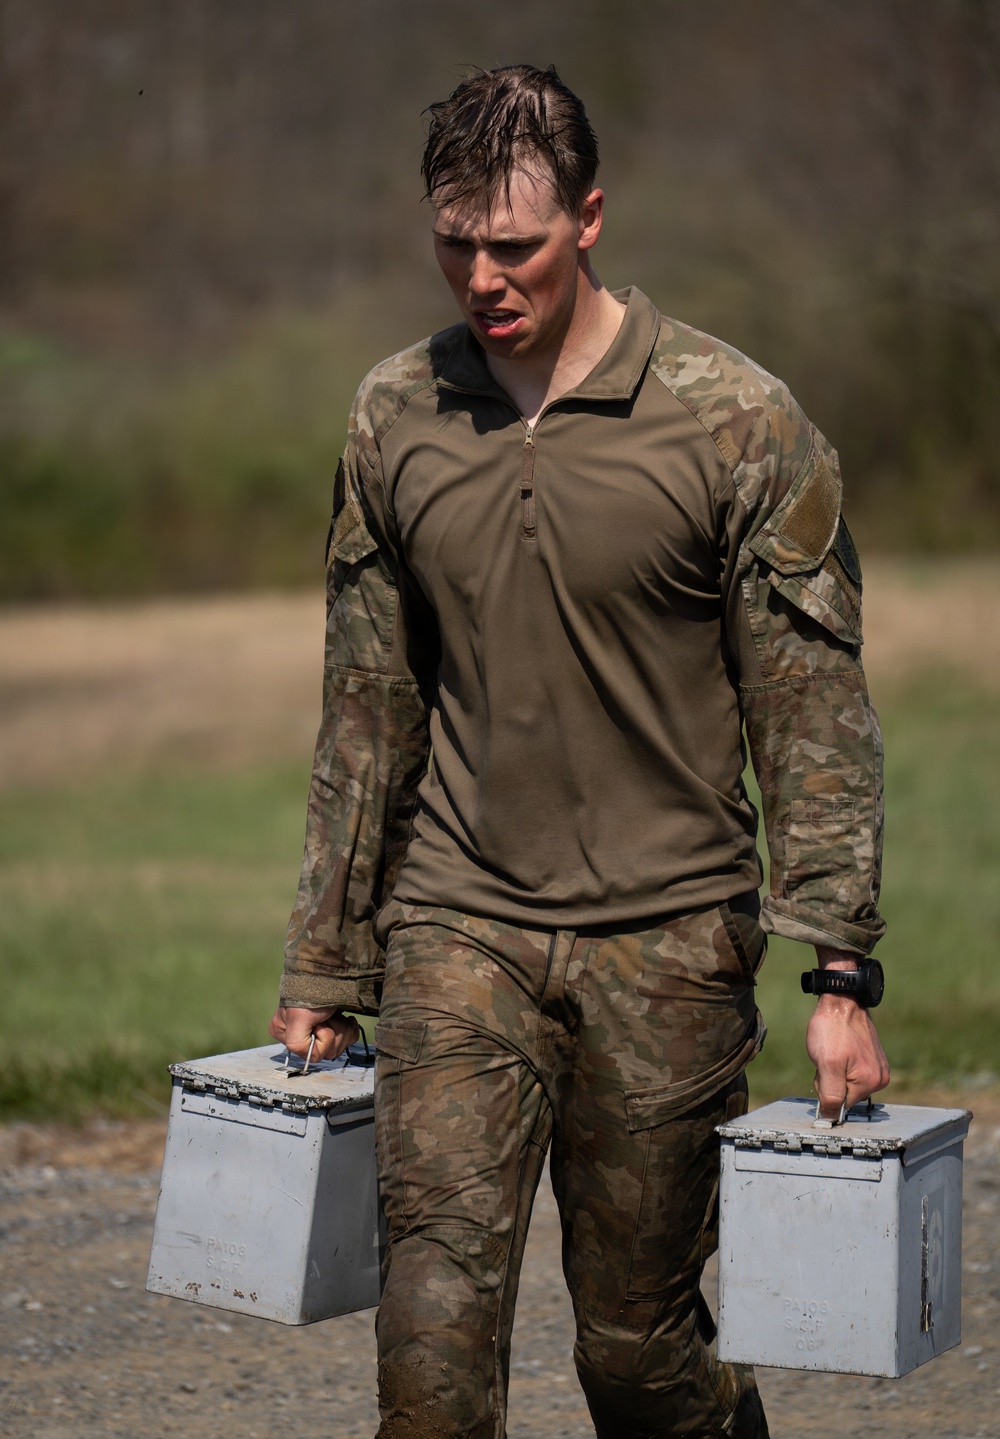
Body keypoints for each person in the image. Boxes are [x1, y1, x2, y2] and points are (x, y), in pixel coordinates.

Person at [269, 63, 889, 1439]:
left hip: (669, 946)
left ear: (592, 219)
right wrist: (326, 960)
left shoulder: (737, 419)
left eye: (516, 244)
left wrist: (838, 966)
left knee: (639, 1358)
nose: (481, 275)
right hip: (457, 930)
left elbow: (812, 711)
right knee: (428, 1355)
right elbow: (367, 707)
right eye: (454, 240)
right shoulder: (394, 415)